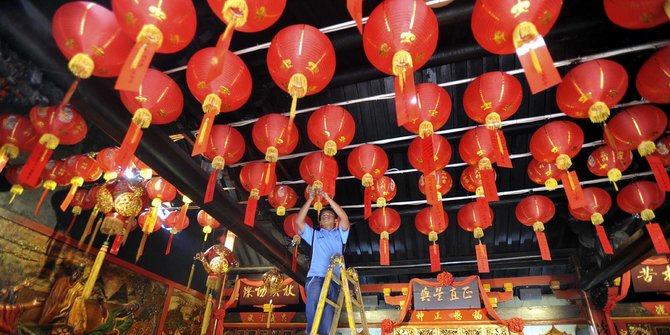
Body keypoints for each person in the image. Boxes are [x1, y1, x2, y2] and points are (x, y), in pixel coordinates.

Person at [295, 186, 350, 335]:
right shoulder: (314, 235)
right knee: (313, 311)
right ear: (320, 222)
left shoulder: (340, 234)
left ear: (334, 221)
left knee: (327, 320)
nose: (325, 215)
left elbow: (344, 218)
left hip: (334, 281)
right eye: (323, 215)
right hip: (316, 277)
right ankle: (311, 332)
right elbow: (299, 220)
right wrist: (311, 199)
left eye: (329, 215)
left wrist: (328, 198)